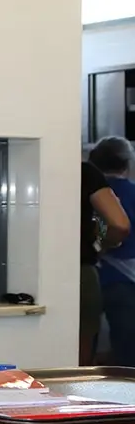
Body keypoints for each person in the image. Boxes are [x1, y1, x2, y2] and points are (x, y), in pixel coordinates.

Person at [90, 138, 135, 365]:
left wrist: (97, 248)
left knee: (87, 341)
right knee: (126, 346)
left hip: (90, 277)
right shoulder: (130, 192)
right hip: (124, 281)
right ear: (127, 163)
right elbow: (121, 228)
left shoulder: (84, 191)